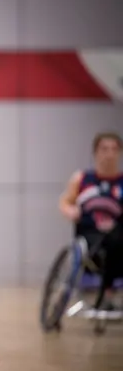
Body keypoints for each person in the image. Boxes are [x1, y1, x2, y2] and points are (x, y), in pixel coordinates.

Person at [59, 131, 123, 309]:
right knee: (109, 240)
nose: (109, 154)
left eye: (114, 149)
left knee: (117, 236)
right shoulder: (82, 179)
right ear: (96, 152)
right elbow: (65, 202)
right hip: (92, 238)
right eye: (104, 149)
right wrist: (70, 210)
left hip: (118, 237)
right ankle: (106, 292)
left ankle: (107, 292)